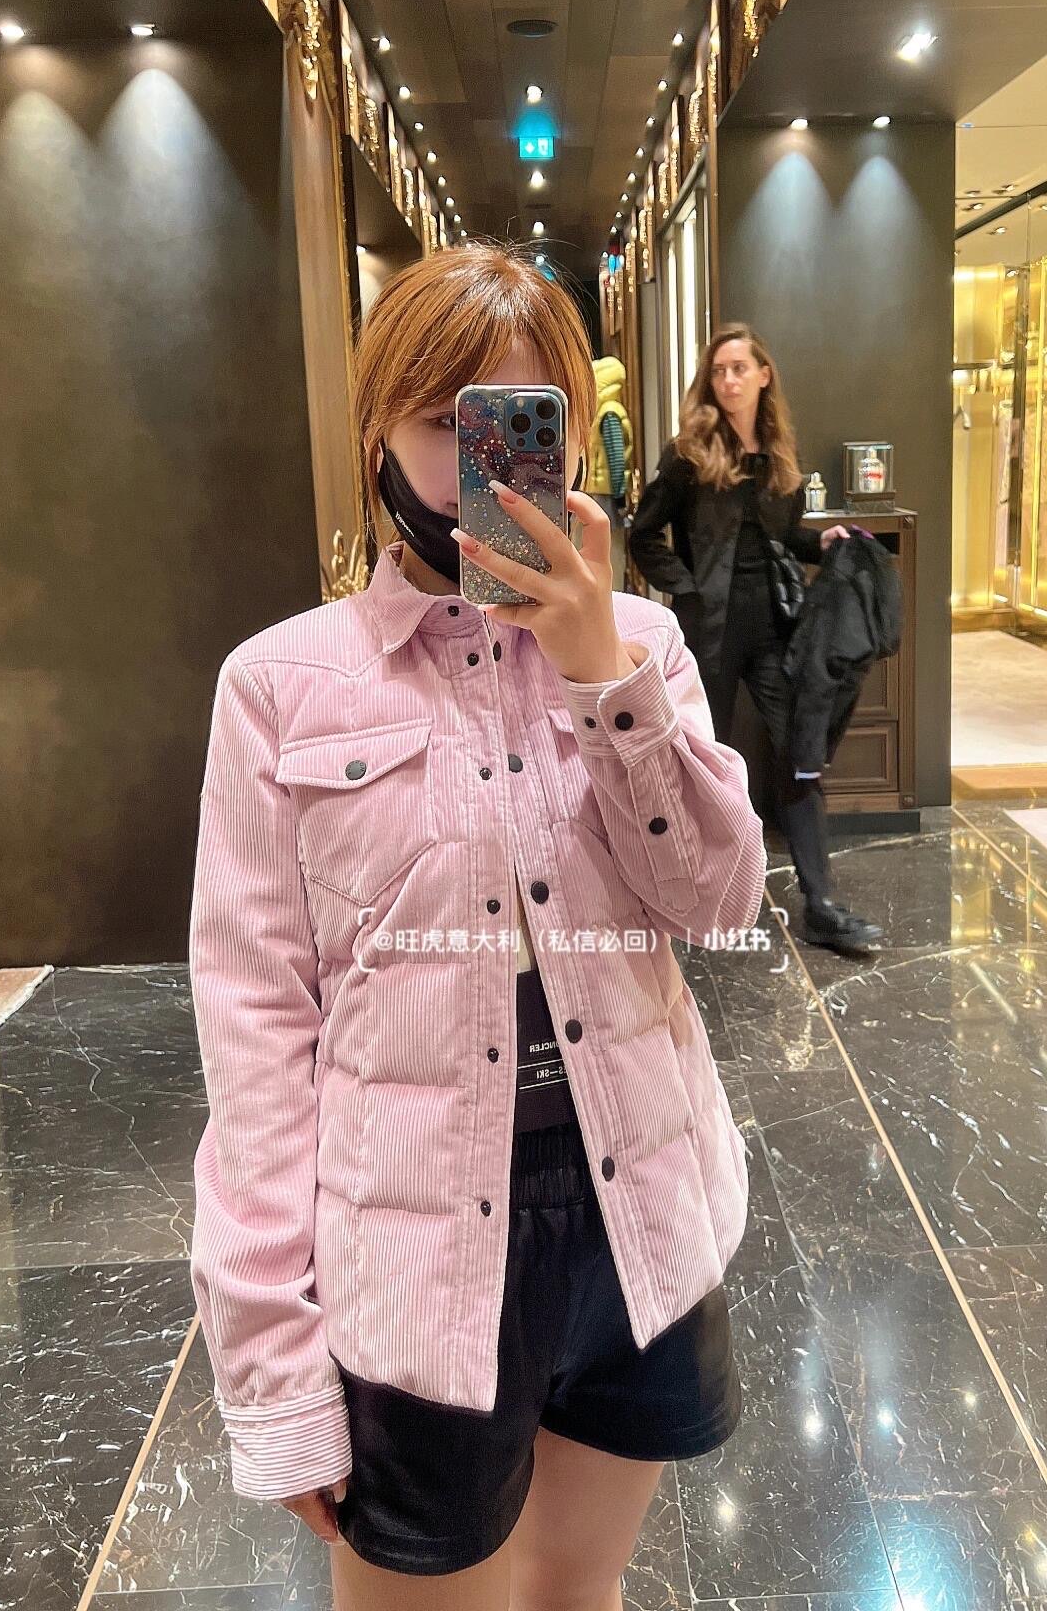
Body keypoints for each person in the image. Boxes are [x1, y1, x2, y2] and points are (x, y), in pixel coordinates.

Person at [187, 243, 763, 1611]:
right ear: (378, 433)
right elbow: (256, 1031)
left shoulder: (642, 648)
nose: (484, 462)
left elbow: (722, 901)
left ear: (573, 435)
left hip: (637, 1215)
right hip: (413, 1245)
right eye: (448, 422)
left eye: (521, 421)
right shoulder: (279, 685)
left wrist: (601, 679)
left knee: (578, 1592)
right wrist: (273, 1364)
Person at [628, 323, 884, 955]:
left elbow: (781, 539)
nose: (729, 380)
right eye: (719, 371)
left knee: (799, 754)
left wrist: (820, 542)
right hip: (710, 632)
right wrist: (685, 589)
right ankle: (691, 896)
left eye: (739, 368)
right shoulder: (689, 454)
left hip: (773, 630)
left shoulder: (776, 455)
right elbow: (643, 535)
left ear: (764, 375)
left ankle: (820, 904)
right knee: (700, 760)